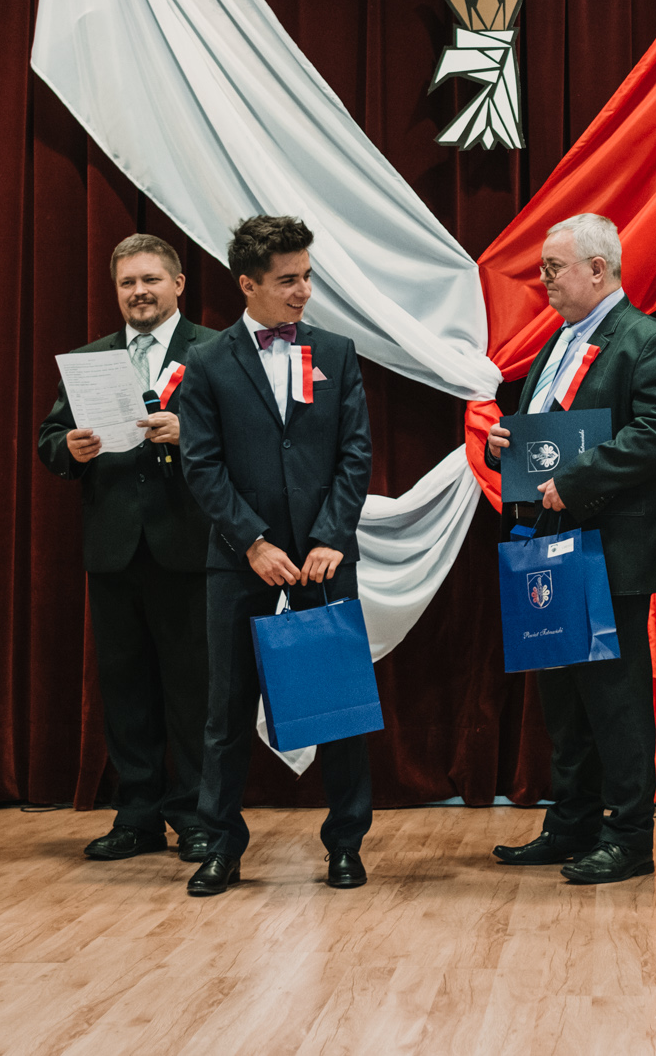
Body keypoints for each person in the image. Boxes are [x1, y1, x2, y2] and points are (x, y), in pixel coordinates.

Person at [485, 214, 656, 885]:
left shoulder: (651, 340)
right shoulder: (556, 342)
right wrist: (506, 444)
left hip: (613, 548)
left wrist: (574, 482)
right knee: (564, 697)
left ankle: (629, 837)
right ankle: (571, 821)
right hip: (551, 544)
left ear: (597, 270)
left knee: (615, 699)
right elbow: (547, 434)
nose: (543, 279)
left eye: (553, 267)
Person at [174, 215, 373, 897]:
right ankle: (220, 845)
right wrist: (253, 541)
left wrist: (330, 536)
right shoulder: (207, 361)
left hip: (325, 557)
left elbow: (355, 452)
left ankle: (345, 843)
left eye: (307, 276)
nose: (303, 291)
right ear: (247, 285)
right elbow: (201, 465)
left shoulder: (337, 352)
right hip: (241, 561)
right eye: (288, 280)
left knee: (340, 706)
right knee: (226, 711)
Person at [38, 234, 219, 864]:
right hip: (114, 547)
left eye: (150, 280)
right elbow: (50, 438)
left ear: (178, 284)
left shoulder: (215, 351)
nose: (139, 292)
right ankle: (138, 815)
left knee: (193, 690)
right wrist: (69, 449)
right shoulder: (90, 358)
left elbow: (248, 438)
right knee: (125, 689)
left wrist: (190, 432)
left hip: (191, 546)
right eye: (127, 283)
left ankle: (197, 815)